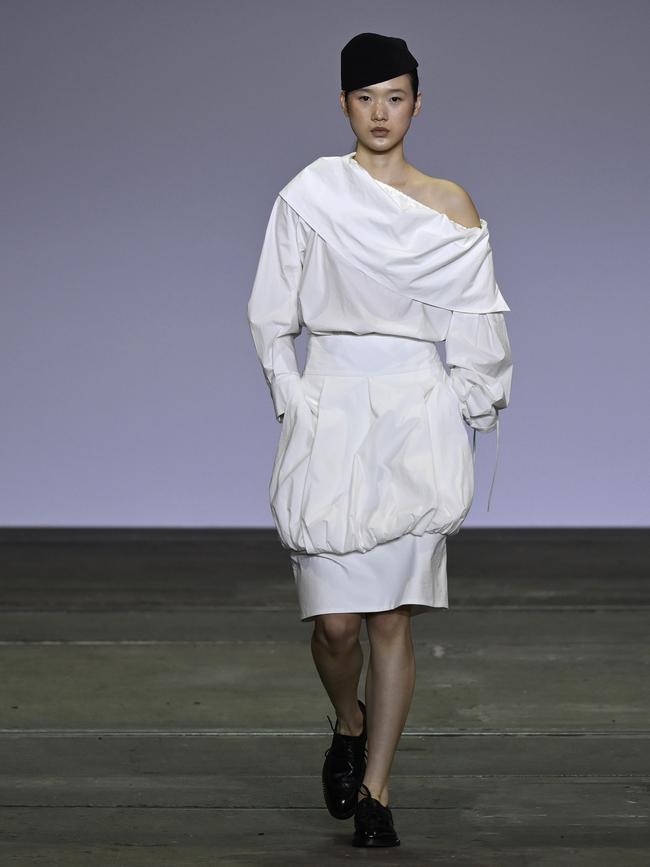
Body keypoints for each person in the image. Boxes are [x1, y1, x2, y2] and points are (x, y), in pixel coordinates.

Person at [247, 32, 513, 848]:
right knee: (335, 626)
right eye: (365, 98)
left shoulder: (449, 205)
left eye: (395, 97)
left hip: (411, 412)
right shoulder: (310, 196)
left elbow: (477, 322)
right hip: (332, 406)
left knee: (392, 616)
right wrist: (295, 401)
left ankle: (377, 791)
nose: (380, 113)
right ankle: (347, 716)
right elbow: (270, 312)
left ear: (417, 104)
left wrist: (465, 407)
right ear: (344, 105)